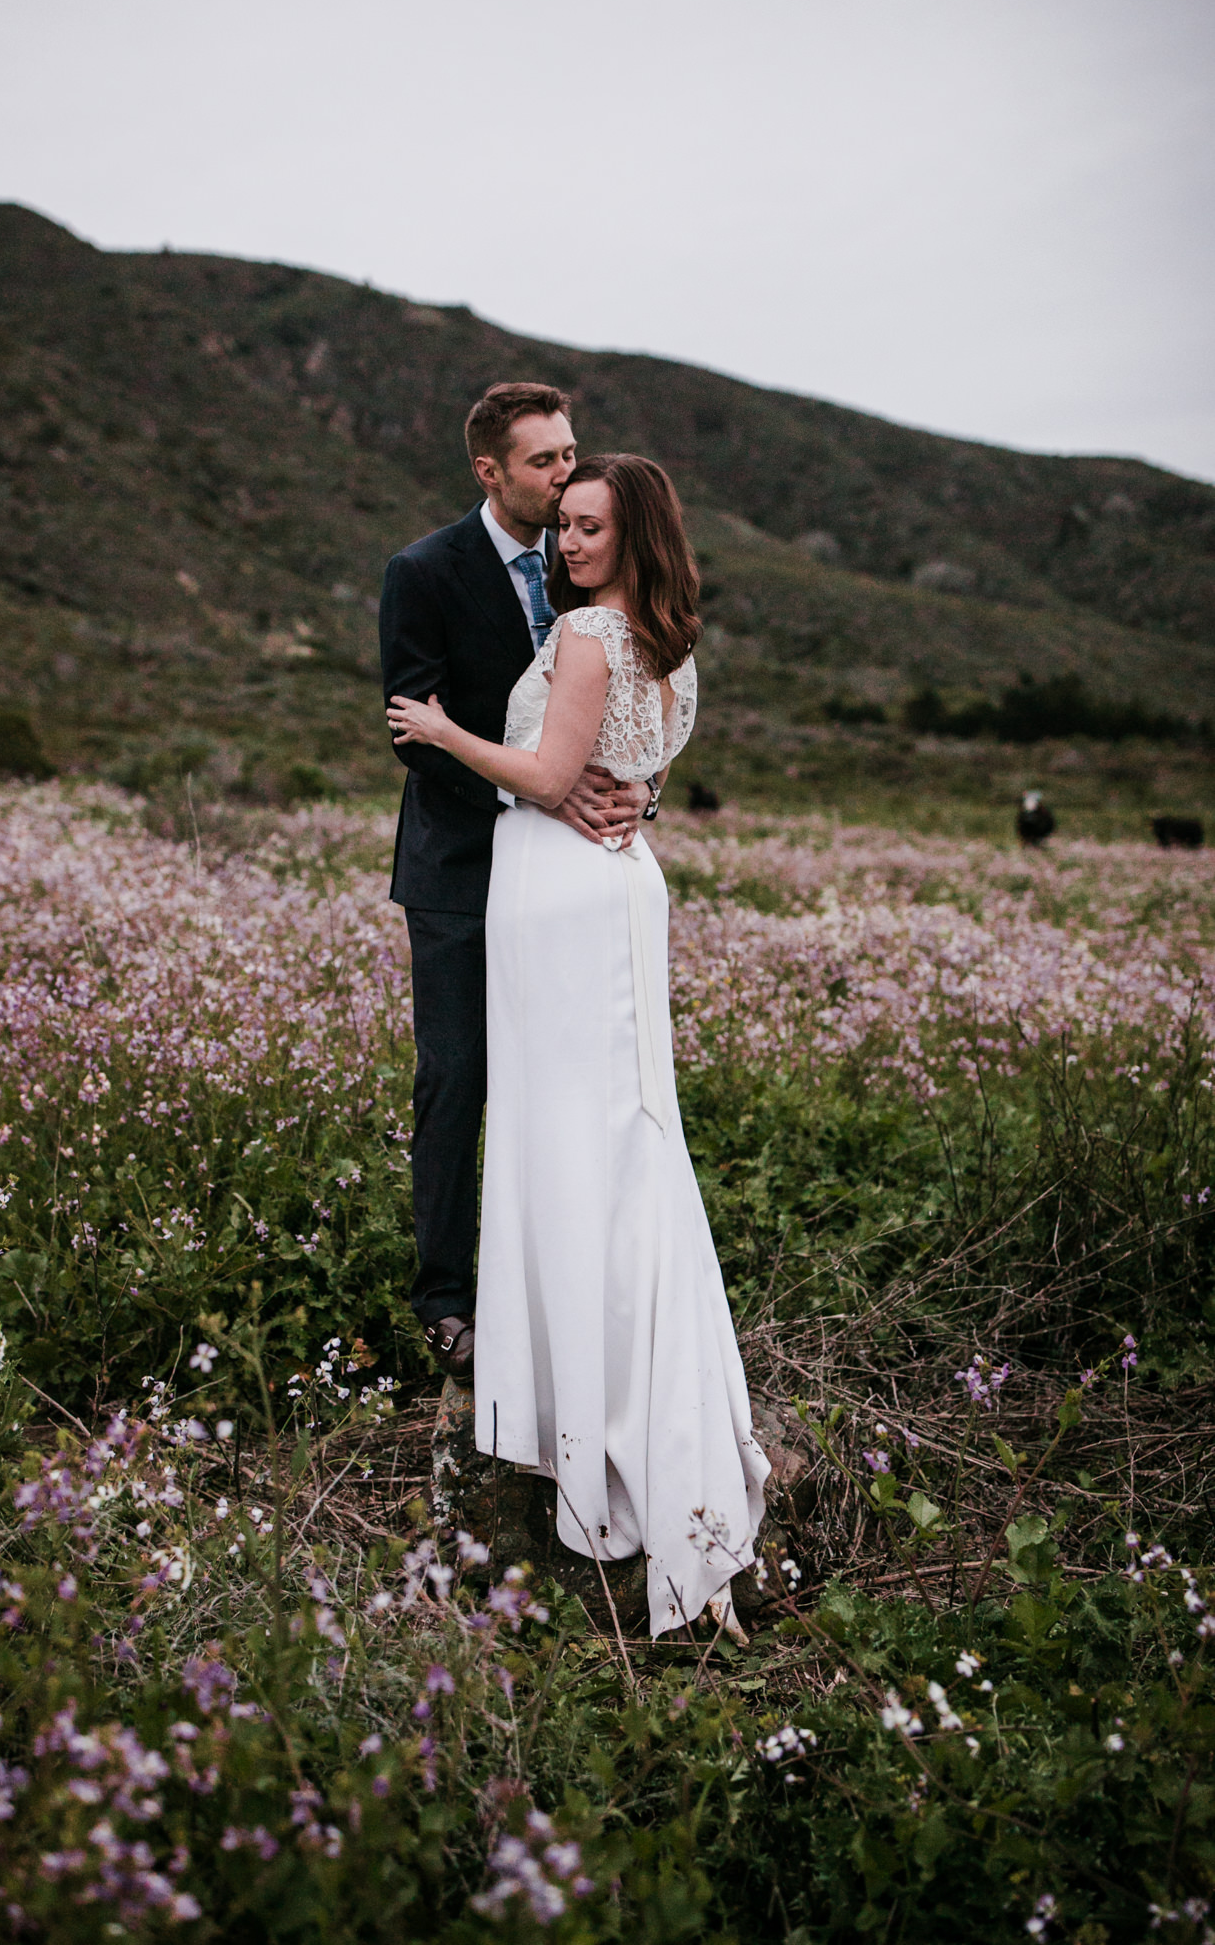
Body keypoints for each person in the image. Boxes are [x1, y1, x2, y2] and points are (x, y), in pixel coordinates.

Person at [387, 453, 770, 1642]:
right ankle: (601, 1366)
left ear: (635, 532)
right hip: (617, 883)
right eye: (564, 526)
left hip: (560, 888)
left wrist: (445, 729)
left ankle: (581, 1390)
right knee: (616, 1128)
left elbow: (555, 777)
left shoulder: (593, 634)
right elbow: (626, 774)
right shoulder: (667, 640)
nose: (569, 542)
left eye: (591, 525)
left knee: (571, 1132)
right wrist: (621, 794)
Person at [379, 384, 648, 1384]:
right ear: (488, 471)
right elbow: (413, 727)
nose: (565, 475)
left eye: (570, 453)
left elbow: (629, 696)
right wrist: (533, 792)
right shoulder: (421, 570)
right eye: (543, 461)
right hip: (457, 871)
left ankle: (560, 1286)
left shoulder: (590, 553)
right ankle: (446, 1301)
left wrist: (641, 790)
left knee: (568, 1081)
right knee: (455, 1081)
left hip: (573, 875)